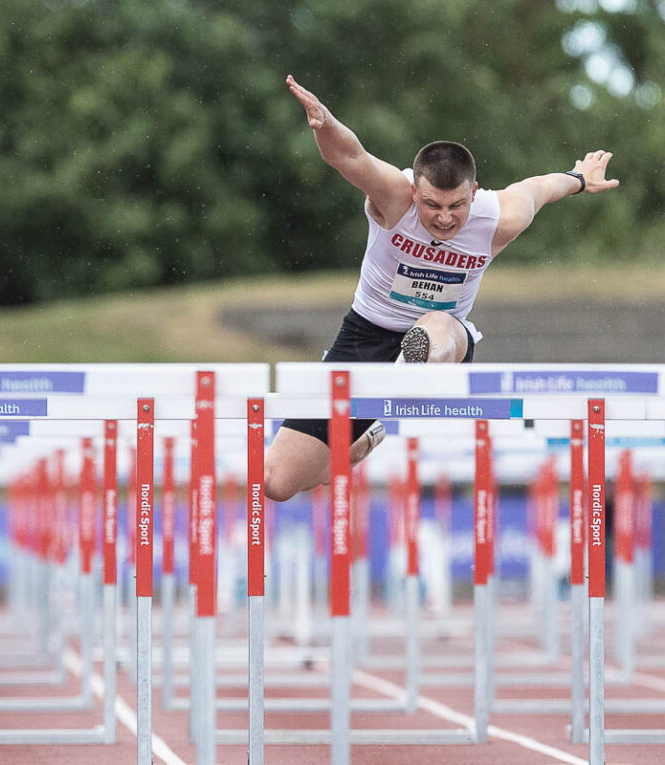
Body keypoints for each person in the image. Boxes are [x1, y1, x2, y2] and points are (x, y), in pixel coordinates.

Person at [264, 75, 619, 503]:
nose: (445, 219)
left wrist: (578, 177)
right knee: (278, 483)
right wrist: (326, 124)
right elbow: (349, 156)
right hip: (365, 336)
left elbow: (543, 187)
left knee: (432, 326)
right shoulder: (394, 197)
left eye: (456, 206)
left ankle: (404, 376)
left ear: (474, 191)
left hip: (446, 338)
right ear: (414, 192)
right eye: (432, 205)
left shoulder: (500, 216)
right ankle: (365, 433)